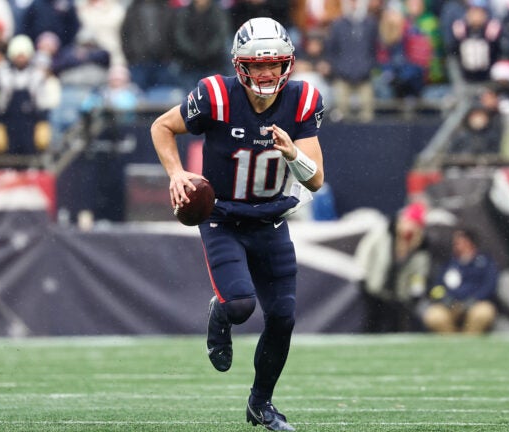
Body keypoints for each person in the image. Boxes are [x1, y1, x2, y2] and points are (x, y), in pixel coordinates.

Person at [151, 17, 325, 431]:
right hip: (224, 217)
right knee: (240, 305)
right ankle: (220, 315)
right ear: (239, 64)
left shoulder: (302, 100)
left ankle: (261, 403)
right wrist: (177, 173)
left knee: (283, 317)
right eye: (257, 64)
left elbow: (315, 179)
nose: (266, 73)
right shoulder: (215, 95)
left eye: (274, 64)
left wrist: (291, 155)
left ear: (288, 63)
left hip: (271, 218)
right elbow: (161, 126)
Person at [355, 202, 431, 332]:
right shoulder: (384, 233)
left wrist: (416, 291)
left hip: (398, 294)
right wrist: (362, 275)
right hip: (375, 286)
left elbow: (418, 274)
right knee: (372, 321)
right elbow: (365, 252)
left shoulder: (420, 248)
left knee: (395, 325)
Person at [422, 226, 500, 334]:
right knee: (434, 316)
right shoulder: (449, 263)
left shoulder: (484, 262)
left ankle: (470, 342)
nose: (456, 244)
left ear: (469, 242)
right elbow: (437, 287)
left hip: (475, 304)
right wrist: (445, 298)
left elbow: (489, 286)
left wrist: (474, 299)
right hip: (451, 305)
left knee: (482, 313)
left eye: (459, 241)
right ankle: (451, 343)